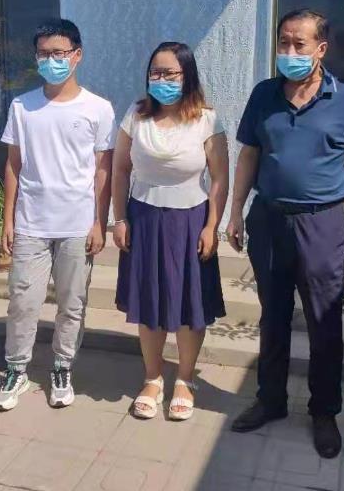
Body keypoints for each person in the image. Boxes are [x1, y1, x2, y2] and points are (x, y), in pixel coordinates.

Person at [226, 9, 344, 458]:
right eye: (283, 42)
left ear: (321, 49)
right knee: (273, 316)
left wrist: (342, 200)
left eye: (299, 44)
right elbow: (249, 155)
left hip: (322, 222)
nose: (289, 51)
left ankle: (324, 411)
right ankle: (270, 400)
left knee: (323, 320)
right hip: (269, 219)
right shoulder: (264, 94)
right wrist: (235, 212)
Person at [0, 19, 116, 411]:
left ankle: (62, 367)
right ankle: (16, 369)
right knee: (22, 301)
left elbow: (103, 170)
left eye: (59, 53)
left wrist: (99, 221)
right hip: (31, 222)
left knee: (72, 302)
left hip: (77, 225)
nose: (51, 61)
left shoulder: (98, 108)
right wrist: (8, 219)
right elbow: (13, 165)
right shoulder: (22, 106)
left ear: (77, 55)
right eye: (44, 54)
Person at [112, 42, 229, 421]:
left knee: (189, 304)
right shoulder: (136, 115)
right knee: (149, 301)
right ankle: (152, 379)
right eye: (155, 73)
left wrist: (212, 226)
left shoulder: (207, 119)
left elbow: (219, 178)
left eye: (170, 73)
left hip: (191, 220)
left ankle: (185, 379)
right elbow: (120, 170)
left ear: (187, 75)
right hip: (144, 219)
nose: (161, 79)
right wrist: (120, 219)